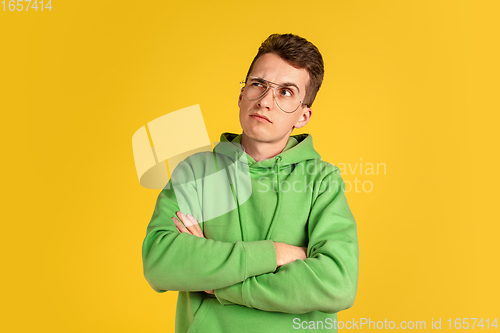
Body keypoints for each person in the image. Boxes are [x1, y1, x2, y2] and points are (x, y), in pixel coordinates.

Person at [142, 33, 359, 333]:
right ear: (242, 94)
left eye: (285, 92)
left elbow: (337, 283)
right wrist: (277, 253)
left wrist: (219, 282)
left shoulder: (322, 181)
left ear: (303, 116)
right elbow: (160, 263)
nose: (265, 101)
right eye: (258, 84)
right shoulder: (195, 173)